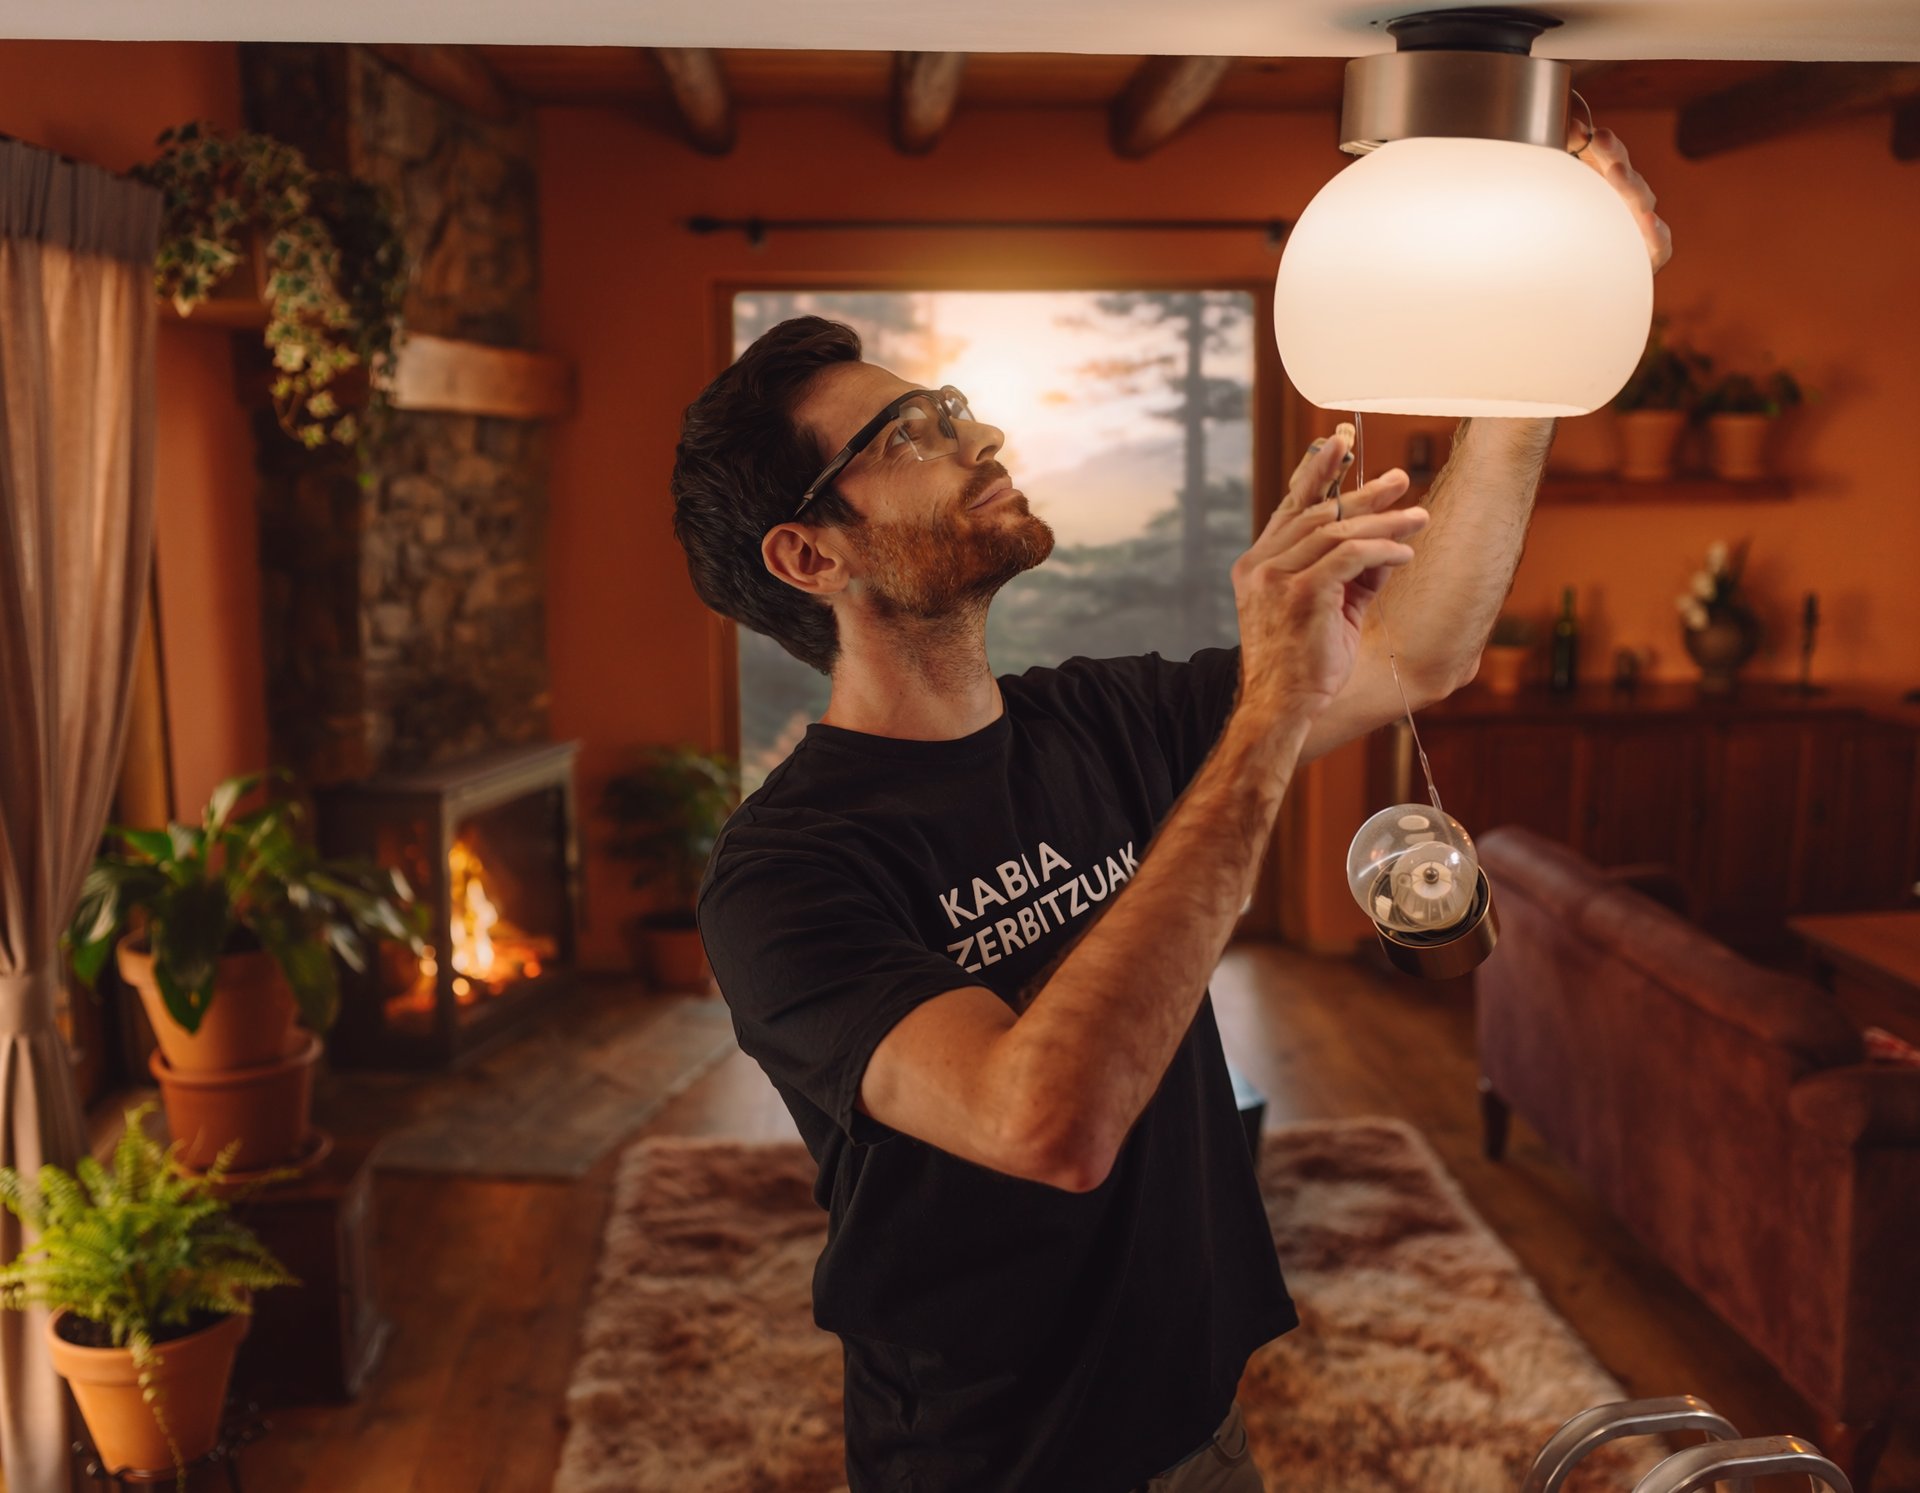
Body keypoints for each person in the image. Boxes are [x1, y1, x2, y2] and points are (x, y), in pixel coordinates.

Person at [672, 128, 1669, 1493]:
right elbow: (1048, 1124)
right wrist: (1265, 711)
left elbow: (1422, 652)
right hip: (995, 1454)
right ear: (808, 554)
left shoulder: (1102, 715)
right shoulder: (784, 872)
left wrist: (1539, 355)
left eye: (960, 408)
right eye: (913, 433)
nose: (979, 439)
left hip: (1199, 1399)